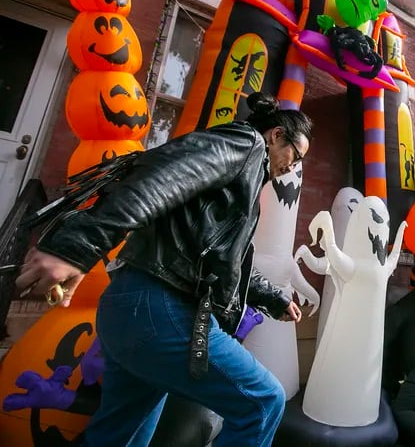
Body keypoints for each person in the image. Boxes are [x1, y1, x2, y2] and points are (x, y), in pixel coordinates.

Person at [14, 92, 313, 446]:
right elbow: (163, 173)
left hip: (129, 306)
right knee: (263, 402)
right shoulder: (246, 143)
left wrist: (272, 299)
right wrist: (77, 245)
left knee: (121, 435)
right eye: (295, 156)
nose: (292, 167)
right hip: (163, 309)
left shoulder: (238, 180)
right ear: (276, 135)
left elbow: (230, 257)